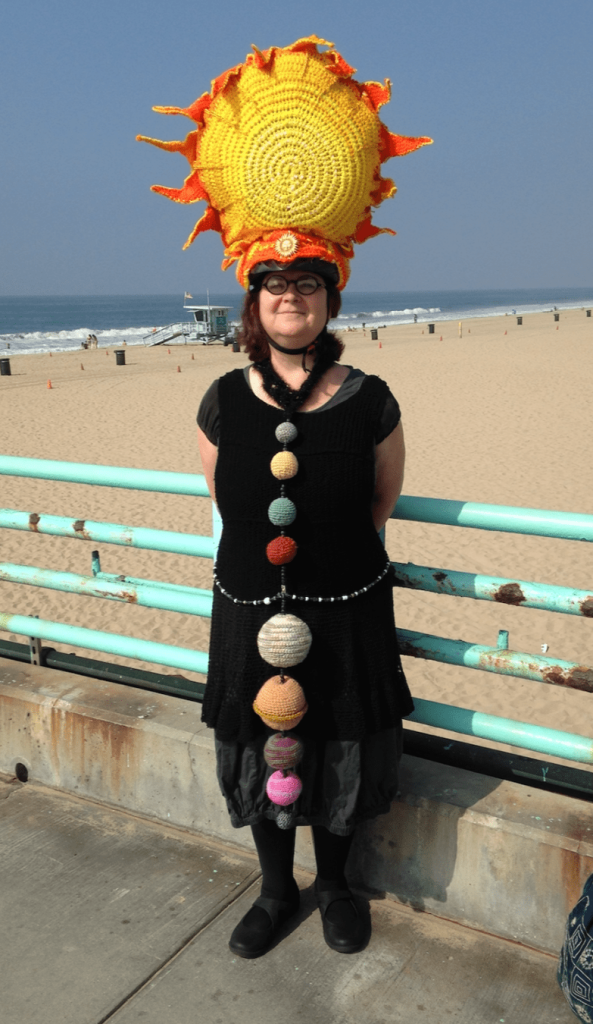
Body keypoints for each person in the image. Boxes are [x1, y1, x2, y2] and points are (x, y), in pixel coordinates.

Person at [139, 34, 430, 959]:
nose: (289, 295)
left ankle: (338, 885)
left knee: (339, 748)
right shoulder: (223, 398)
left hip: (345, 609)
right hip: (245, 605)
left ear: (328, 299)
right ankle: (273, 890)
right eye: (273, 285)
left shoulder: (370, 397)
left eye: (306, 282)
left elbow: (383, 498)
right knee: (258, 751)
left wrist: (331, 560)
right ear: (251, 303)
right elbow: (217, 495)